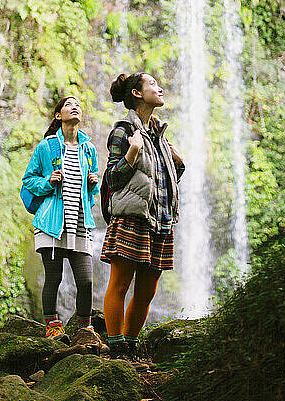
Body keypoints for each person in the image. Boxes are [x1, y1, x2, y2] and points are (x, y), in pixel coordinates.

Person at [100, 72, 185, 361]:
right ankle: (116, 346)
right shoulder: (124, 131)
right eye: (152, 85)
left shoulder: (160, 134)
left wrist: (179, 165)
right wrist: (132, 153)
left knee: (147, 291)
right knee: (120, 283)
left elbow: (159, 180)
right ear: (137, 94)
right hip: (133, 217)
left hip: (160, 220)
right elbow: (111, 178)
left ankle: (131, 345)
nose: (160, 88)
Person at [22, 96, 102, 347]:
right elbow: (28, 181)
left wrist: (93, 184)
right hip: (51, 223)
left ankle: (85, 328)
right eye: (68, 104)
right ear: (58, 115)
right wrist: (48, 182)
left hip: (79, 221)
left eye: (78, 104)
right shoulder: (46, 147)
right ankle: (52, 326)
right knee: (53, 278)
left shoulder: (88, 149)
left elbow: (92, 191)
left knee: (86, 281)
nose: (75, 106)